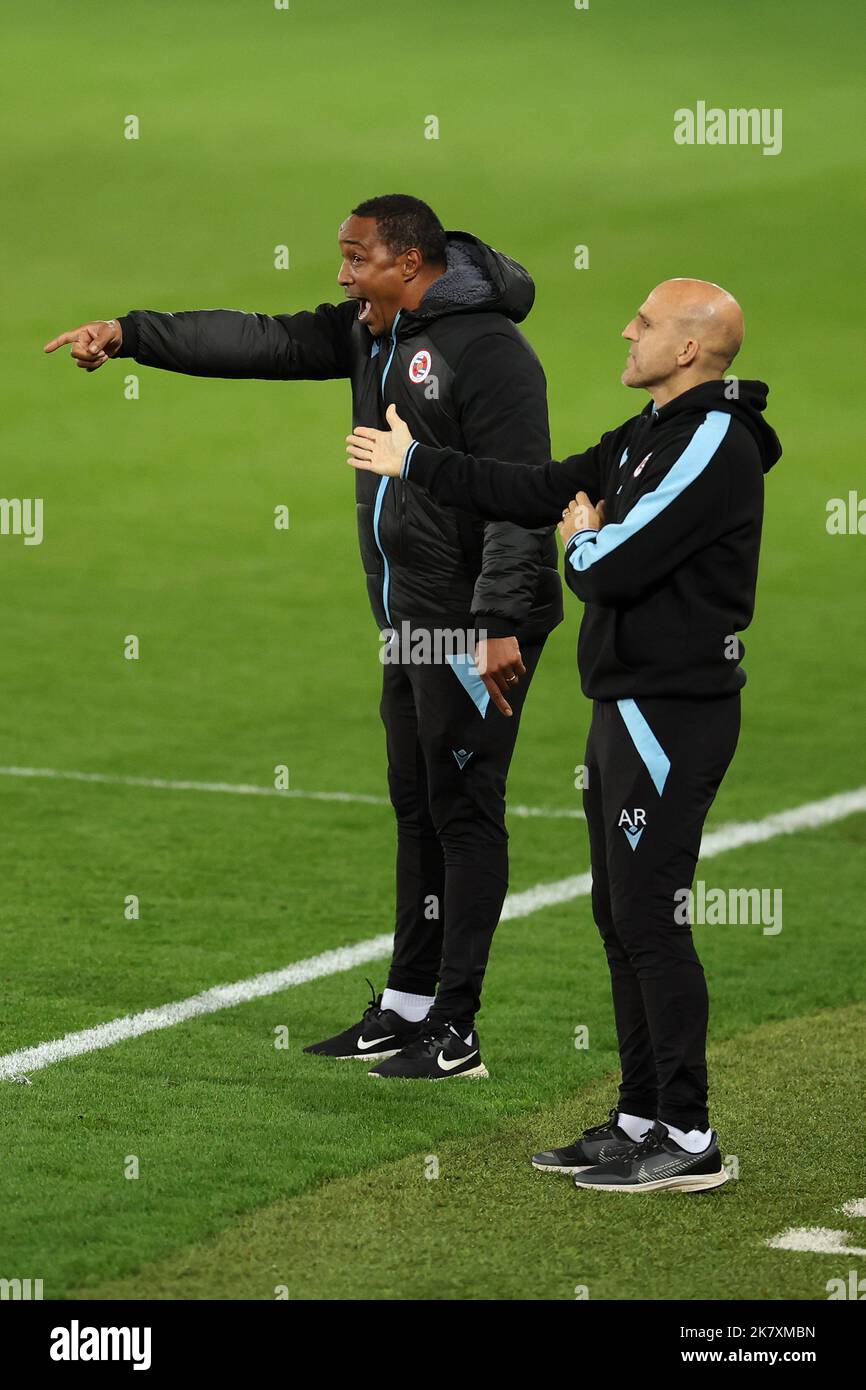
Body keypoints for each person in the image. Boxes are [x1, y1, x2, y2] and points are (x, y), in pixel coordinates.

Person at [44, 194, 563, 1081]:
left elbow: (525, 493)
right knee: (417, 801)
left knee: (466, 810)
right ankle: (406, 1003)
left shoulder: (492, 354)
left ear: (409, 262)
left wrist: (501, 621)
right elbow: (263, 341)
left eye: (356, 258)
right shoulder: (375, 332)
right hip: (409, 618)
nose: (342, 274)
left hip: (473, 622)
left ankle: (458, 1029)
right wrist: (130, 334)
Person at [346, 278, 782, 1189]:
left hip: (673, 714)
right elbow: (537, 485)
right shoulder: (646, 434)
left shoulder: (714, 441)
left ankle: (691, 1138)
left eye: (648, 323)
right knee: (618, 916)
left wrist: (583, 537)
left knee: (652, 919)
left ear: (693, 349)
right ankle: (638, 1114)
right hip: (625, 705)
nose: (629, 331)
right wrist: (419, 462)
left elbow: (607, 564)